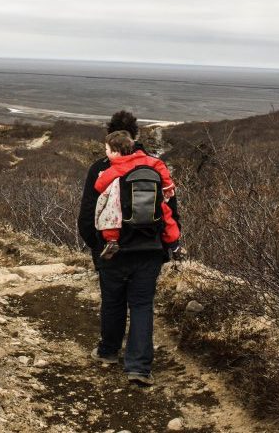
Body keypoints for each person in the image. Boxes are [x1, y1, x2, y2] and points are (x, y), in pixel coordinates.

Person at [77, 111, 182, 386]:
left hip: (113, 250)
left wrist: (97, 247)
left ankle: (109, 352)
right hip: (150, 250)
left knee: (113, 301)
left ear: (110, 138)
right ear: (135, 136)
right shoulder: (156, 166)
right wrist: (170, 244)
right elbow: (171, 209)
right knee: (142, 304)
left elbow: (87, 216)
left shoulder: (101, 168)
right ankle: (139, 367)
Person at [95, 130, 180, 260]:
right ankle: (174, 244)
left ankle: (112, 241)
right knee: (167, 218)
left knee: (111, 216)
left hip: (125, 206)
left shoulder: (116, 167)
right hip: (152, 202)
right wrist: (168, 188)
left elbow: (99, 186)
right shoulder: (151, 161)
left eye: (106, 149)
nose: (105, 152)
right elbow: (162, 168)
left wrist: (101, 176)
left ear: (115, 152)